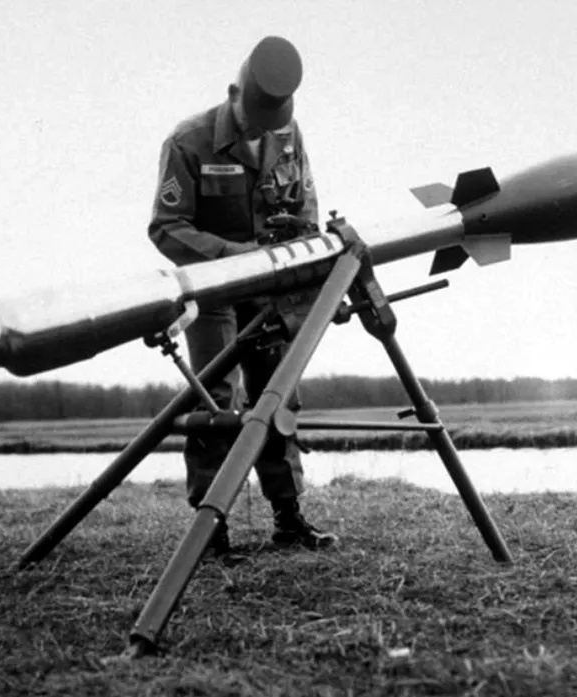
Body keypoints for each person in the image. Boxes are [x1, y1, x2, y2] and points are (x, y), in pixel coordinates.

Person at [148, 36, 337, 554]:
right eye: (253, 122)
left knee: (279, 394)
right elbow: (166, 227)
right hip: (213, 290)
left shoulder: (289, 134)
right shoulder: (188, 141)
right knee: (217, 401)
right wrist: (234, 255)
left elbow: (306, 211)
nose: (261, 133)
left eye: (271, 125)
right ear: (233, 95)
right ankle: (212, 530)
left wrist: (301, 258)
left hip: (270, 289)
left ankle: (288, 517)